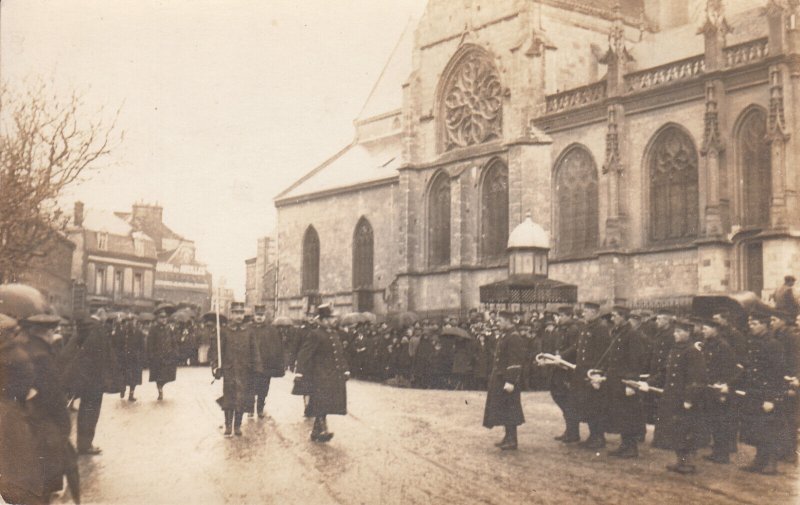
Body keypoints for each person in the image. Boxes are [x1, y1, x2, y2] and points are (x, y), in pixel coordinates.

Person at [643, 319, 707, 474]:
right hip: (672, 397)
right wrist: (649, 382)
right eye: (675, 331)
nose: (675, 334)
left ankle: (689, 462)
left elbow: (697, 378)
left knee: (686, 430)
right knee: (676, 430)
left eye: (679, 332)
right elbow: (665, 372)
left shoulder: (692, 352)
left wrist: (689, 398)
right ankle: (681, 461)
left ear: (688, 333)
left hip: (683, 398)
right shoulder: (675, 350)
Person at [739, 310, 787, 475]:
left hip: (767, 392)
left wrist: (771, 398)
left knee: (769, 428)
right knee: (757, 427)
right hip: (754, 390)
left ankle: (771, 462)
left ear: (765, 325)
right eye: (750, 323)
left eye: (754, 324)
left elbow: (777, 373)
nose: (750, 326)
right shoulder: (753, 342)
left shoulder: (773, 344)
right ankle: (759, 459)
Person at [295, 303, 349, 442]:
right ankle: (322, 430)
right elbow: (304, 353)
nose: (334, 320)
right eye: (331, 318)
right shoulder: (315, 334)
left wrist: (345, 369)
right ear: (324, 319)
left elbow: (339, 354)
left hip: (332, 375)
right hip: (319, 375)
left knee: (325, 402)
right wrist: (299, 372)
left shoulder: (333, 333)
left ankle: (315, 432)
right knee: (321, 402)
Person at [604, 307, 647, 458]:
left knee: (628, 413)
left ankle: (631, 447)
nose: (612, 318)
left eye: (615, 315)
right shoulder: (617, 332)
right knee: (620, 413)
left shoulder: (631, 334)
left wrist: (632, 382)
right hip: (616, 378)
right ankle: (624, 444)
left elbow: (636, 359)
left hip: (626, 379)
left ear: (623, 317)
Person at [210, 302, 259, 437]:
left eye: (241, 313)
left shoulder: (249, 332)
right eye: (236, 313)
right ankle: (228, 425)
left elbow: (254, 350)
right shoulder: (224, 331)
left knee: (242, 398)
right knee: (229, 398)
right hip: (229, 370)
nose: (239, 316)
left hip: (245, 370)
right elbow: (217, 351)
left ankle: (237, 425)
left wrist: (257, 366)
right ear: (231, 314)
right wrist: (216, 366)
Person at [482, 311, 525, 451]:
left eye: (500, 320)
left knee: (510, 409)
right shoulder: (507, 335)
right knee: (504, 408)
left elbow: (515, 361)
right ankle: (508, 437)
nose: (498, 323)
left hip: (507, 379)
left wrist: (511, 381)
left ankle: (512, 440)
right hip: (501, 378)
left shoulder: (514, 337)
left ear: (508, 321)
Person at [571, 302, 611, 449]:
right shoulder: (586, 327)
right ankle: (593, 435)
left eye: (587, 311)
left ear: (595, 313)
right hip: (583, 372)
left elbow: (602, 354)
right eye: (584, 311)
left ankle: (598, 437)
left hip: (592, 373)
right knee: (587, 405)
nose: (584, 314)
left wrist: (597, 373)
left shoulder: (600, 329)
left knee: (595, 406)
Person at [699, 318, 738, 464]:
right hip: (709, 387)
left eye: (706, 328)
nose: (703, 331)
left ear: (715, 330)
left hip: (719, 388)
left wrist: (724, 385)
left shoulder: (723, 346)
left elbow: (730, 368)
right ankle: (717, 451)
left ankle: (722, 454)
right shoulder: (708, 345)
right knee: (713, 420)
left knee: (721, 421)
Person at [250, 304, 285, 418]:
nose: (259, 317)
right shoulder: (248, 329)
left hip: (266, 365)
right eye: (257, 315)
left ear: (265, 316)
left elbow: (277, 347)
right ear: (253, 316)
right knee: (250, 386)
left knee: (263, 388)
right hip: (251, 365)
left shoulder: (271, 330)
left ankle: (260, 408)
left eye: (261, 315)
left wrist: (277, 364)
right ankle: (250, 408)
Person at [147, 303, 179, 401]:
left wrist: (175, 351)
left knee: (168, 375)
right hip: (158, 356)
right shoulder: (153, 329)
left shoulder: (169, 329)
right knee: (159, 376)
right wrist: (151, 355)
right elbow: (150, 343)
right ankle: (160, 390)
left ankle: (161, 386)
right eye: (162, 317)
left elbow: (173, 341)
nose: (164, 319)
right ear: (158, 319)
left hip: (168, 355)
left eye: (165, 317)